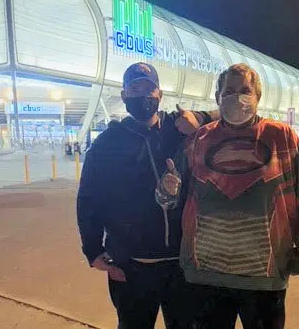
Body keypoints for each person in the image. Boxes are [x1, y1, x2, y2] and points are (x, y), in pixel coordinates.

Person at [157, 63, 299, 329]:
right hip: (206, 273)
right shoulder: (198, 140)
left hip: (264, 275)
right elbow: (168, 201)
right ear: (217, 97)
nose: (237, 97)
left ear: (258, 97)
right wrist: (166, 190)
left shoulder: (282, 138)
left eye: (245, 90)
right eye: (229, 91)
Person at [77, 62, 217, 329]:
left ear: (160, 95)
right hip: (130, 268)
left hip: (181, 265)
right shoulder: (107, 144)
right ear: (124, 96)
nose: (144, 95)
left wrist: (200, 117)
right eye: (135, 88)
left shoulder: (179, 130)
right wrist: (93, 251)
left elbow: (227, 114)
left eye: (149, 89)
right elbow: (88, 200)